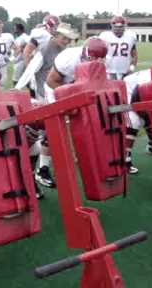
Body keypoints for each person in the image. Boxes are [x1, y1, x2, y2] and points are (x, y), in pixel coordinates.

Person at [28, 23, 79, 189]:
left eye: (68, 38)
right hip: (46, 92)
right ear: (55, 36)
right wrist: (31, 91)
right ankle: (40, 169)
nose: (66, 40)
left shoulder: (66, 52)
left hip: (60, 92)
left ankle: (44, 167)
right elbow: (30, 70)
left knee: (55, 130)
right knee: (50, 130)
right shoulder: (45, 50)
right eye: (63, 37)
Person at [45, 37, 108, 101]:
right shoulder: (68, 59)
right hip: (59, 88)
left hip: (79, 88)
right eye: (92, 59)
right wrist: (73, 96)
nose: (95, 62)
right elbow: (51, 81)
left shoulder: (101, 60)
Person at [99, 16, 138, 80]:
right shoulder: (104, 36)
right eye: (116, 26)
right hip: (109, 71)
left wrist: (132, 68)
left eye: (120, 27)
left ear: (124, 26)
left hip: (125, 71)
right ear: (111, 26)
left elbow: (134, 55)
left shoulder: (131, 37)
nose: (118, 29)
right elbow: (99, 55)